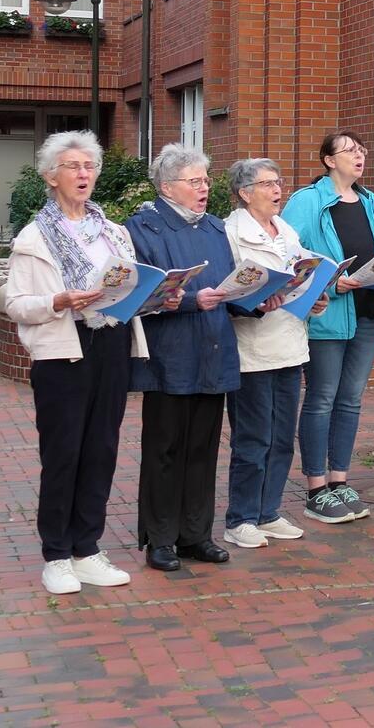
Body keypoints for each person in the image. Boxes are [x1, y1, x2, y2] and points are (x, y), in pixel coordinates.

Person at [6, 130, 160, 594]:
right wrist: (58, 299)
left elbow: (129, 283)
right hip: (63, 350)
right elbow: (16, 303)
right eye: (73, 166)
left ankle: (87, 548)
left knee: (102, 450)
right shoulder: (34, 237)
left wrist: (152, 294)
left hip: (111, 343)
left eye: (89, 166)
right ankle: (56, 555)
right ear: (51, 176)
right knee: (63, 454)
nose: (83, 174)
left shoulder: (113, 231)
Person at [125, 144, 242, 573]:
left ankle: (196, 534)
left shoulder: (214, 228)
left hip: (214, 349)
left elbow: (228, 285)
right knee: (165, 448)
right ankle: (160, 538)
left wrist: (259, 299)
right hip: (171, 354)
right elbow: (138, 295)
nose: (205, 188)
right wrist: (192, 300)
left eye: (206, 180)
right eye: (195, 181)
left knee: (203, 448)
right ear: (168, 186)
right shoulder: (143, 228)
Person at [281, 131, 374, 525]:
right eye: (350, 150)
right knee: (322, 398)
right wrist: (333, 282)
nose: (359, 156)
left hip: (368, 311)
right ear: (329, 160)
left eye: (362, 150)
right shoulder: (307, 201)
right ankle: (316, 487)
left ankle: (339, 480)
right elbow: (293, 256)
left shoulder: (372, 202)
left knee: (350, 399)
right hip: (327, 314)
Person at [221, 158, 322, 548]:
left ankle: (268, 511)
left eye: (278, 182)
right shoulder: (231, 233)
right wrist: (255, 301)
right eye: (266, 184)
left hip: (290, 343)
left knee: (282, 437)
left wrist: (313, 297)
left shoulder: (286, 229)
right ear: (245, 193)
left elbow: (298, 274)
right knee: (253, 438)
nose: (277, 189)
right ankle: (240, 517)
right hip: (253, 347)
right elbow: (229, 289)